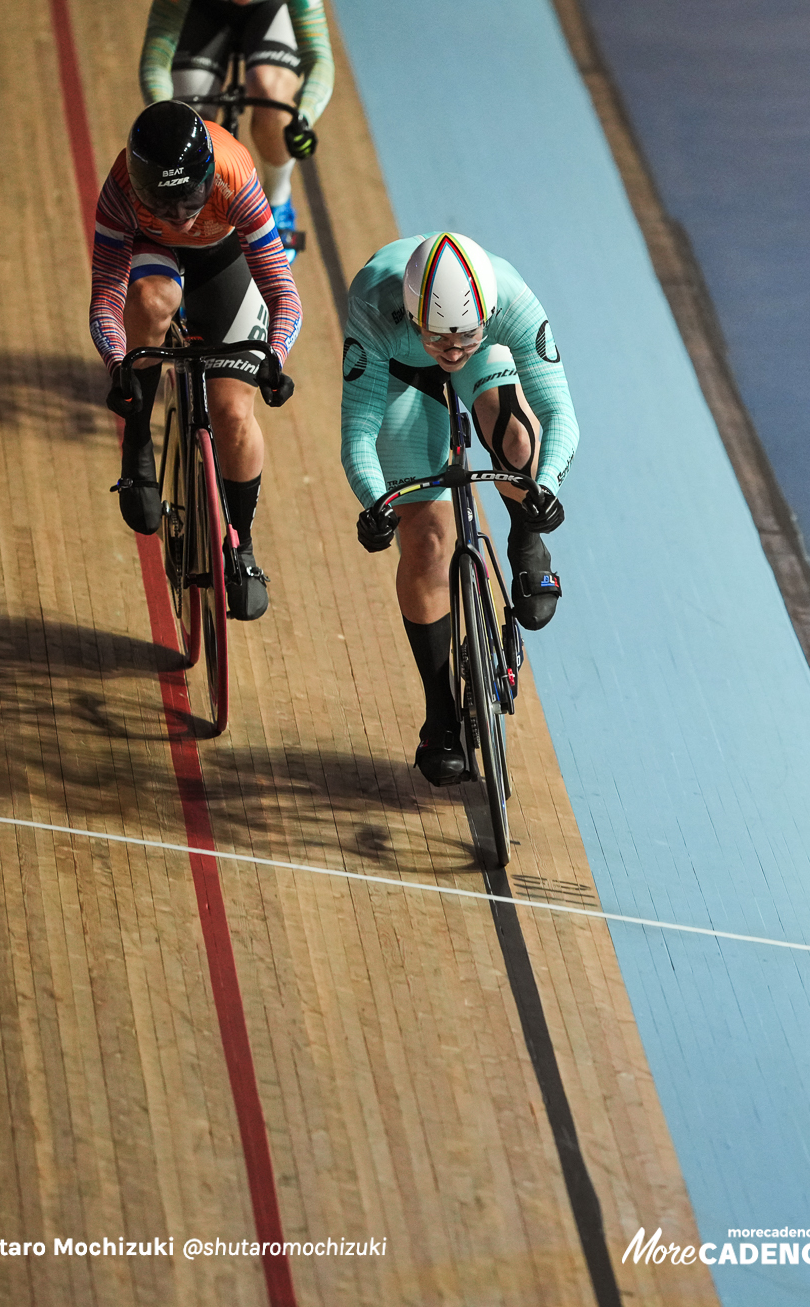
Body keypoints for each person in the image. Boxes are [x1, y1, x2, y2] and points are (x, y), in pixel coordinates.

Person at [342, 234, 574, 785]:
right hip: (399, 370)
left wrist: (545, 487)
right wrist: (376, 505)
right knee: (424, 542)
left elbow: (560, 413)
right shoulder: (376, 305)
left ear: (485, 315)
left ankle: (527, 542)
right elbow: (359, 432)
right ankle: (440, 713)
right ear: (413, 313)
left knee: (517, 441)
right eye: (439, 338)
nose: (451, 352)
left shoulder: (511, 299)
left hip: (481, 354)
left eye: (463, 336)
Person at [91, 100, 300, 620]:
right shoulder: (119, 193)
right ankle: (138, 439)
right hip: (151, 254)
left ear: (208, 175)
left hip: (221, 256)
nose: (183, 216)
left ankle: (242, 543)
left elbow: (283, 293)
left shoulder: (234, 174)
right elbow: (107, 300)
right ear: (141, 192)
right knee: (149, 301)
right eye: (168, 205)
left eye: (191, 198)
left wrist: (274, 356)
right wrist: (119, 363)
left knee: (232, 410)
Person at [138, 0, 333, 261]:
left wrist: (303, 117)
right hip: (203, 11)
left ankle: (278, 198)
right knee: (192, 118)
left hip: (269, 12)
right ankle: (192, 201)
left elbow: (319, 57)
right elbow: (155, 59)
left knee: (271, 95)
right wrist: (166, 117)